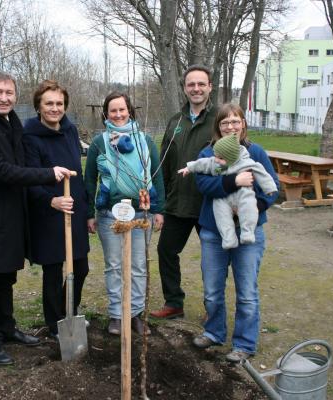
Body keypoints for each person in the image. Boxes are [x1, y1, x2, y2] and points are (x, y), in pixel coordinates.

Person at [0, 71, 72, 365]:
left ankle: (8, 329)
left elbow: (24, 158)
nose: (4, 98)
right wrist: (48, 174)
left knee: (6, 277)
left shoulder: (11, 123)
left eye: (9, 93)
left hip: (11, 217)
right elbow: (1, 170)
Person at [192, 102, 279, 363]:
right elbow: (204, 184)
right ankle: (214, 332)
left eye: (235, 121)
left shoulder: (256, 152)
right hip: (213, 233)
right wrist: (234, 181)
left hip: (248, 235)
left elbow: (272, 185)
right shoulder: (208, 152)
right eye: (225, 122)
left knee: (247, 291)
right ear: (218, 127)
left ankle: (244, 343)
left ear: (243, 123)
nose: (231, 126)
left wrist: (255, 206)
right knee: (212, 290)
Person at [85, 91, 165, 336]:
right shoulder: (99, 143)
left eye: (122, 109)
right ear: (106, 114)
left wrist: (158, 210)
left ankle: (137, 314)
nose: (118, 114)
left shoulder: (145, 142)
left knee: (139, 266)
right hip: (110, 213)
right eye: (113, 110)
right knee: (115, 266)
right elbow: (90, 180)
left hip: (141, 213)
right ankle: (118, 316)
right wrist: (90, 213)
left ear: (130, 110)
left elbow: (157, 177)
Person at [22, 80, 90, 340]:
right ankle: (54, 322)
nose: (55, 108)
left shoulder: (71, 131)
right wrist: (51, 201)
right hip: (48, 209)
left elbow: (78, 172)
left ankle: (69, 312)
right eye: (48, 103)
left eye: (59, 103)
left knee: (80, 267)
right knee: (53, 270)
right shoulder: (30, 136)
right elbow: (28, 177)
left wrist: (84, 205)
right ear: (39, 106)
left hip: (75, 209)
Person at [150, 65, 217, 320]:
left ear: (209, 87)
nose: (196, 89)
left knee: (213, 259)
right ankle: (174, 303)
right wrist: (162, 199)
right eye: (191, 84)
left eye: (201, 84)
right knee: (166, 251)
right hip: (177, 203)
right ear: (185, 88)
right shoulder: (175, 121)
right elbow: (165, 163)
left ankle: (214, 309)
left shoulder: (219, 120)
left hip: (208, 203)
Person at [178, 134, 277, 249]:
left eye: (220, 158)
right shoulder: (216, 163)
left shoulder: (247, 163)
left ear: (232, 157)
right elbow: (202, 164)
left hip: (243, 195)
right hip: (223, 198)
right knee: (221, 215)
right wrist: (189, 168)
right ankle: (229, 238)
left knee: (249, 207)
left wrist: (269, 188)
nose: (216, 160)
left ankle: (247, 233)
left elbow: (262, 174)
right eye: (215, 156)